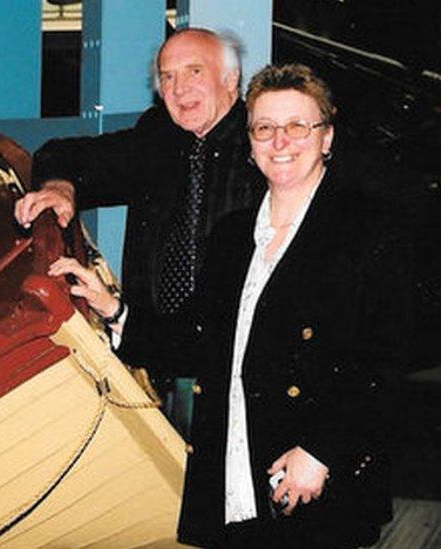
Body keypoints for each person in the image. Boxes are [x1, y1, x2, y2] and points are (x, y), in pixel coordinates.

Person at [177, 63, 413, 548]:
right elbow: (196, 340)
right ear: (251, 141)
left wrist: (325, 451)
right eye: (265, 127)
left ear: (326, 138)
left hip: (313, 476)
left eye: (297, 126)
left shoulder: (368, 227)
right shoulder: (230, 236)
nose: (280, 141)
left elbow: (389, 360)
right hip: (233, 474)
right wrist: (114, 310)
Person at [15, 28, 264, 408]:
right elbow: (64, 154)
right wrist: (60, 187)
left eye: (194, 71)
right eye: (168, 77)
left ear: (230, 79)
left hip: (236, 373)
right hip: (151, 361)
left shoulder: (266, 149)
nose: (179, 89)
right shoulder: (159, 138)